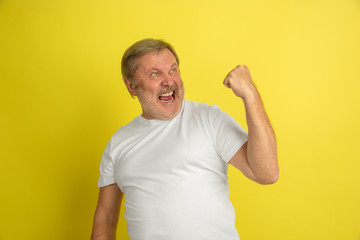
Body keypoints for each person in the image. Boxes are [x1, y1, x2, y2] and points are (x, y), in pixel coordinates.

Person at [91, 38, 279, 240]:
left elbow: (267, 173)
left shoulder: (209, 118)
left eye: (173, 70)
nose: (169, 80)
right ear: (132, 86)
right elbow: (106, 218)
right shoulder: (118, 143)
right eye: (155, 74)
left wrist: (250, 95)